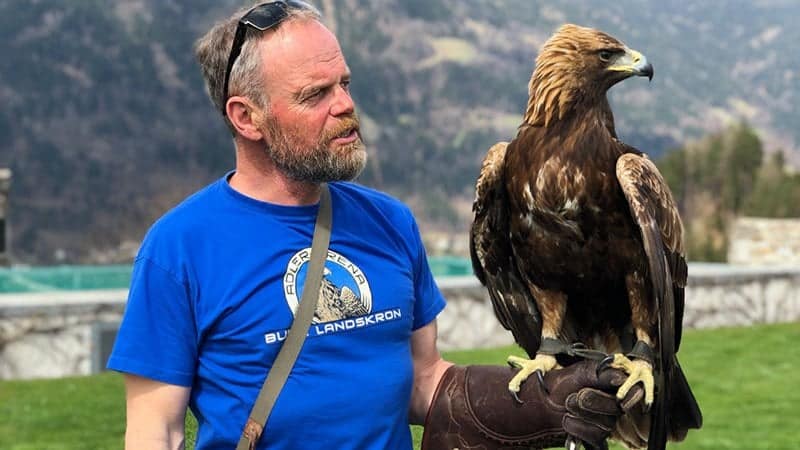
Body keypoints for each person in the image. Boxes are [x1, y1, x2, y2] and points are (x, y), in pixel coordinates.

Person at [108, 1, 634, 449]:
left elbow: (422, 379)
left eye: (345, 83)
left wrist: (544, 403)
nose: (345, 105)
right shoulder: (179, 249)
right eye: (315, 95)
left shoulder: (389, 223)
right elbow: (157, 431)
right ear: (247, 118)